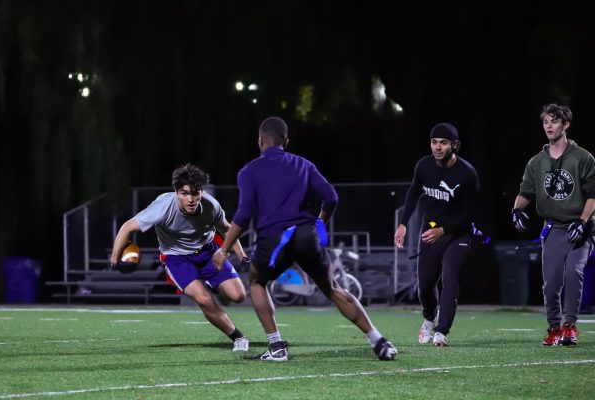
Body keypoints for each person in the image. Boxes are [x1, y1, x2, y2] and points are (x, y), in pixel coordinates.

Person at [212, 116, 397, 361]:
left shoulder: (249, 171)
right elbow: (331, 198)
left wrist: (224, 249)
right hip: (306, 234)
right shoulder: (304, 165)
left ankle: (276, 346)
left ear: (260, 141)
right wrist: (319, 222)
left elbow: (244, 214)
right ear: (286, 141)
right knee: (332, 288)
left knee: (257, 280)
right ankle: (379, 341)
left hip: (275, 239)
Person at [110, 163, 250, 352]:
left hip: (208, 251)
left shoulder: (211, 205)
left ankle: (217, 289)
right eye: (185, 193)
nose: (191, 199)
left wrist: (242, 256)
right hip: (177, 259)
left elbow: (226, 229)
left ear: (202, 191)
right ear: (176, 192)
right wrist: (114, 258)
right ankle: (238, 338)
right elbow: (127, 227)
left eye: (195, 193)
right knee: (204, 300)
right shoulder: (161, 207)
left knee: (238, 296)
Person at [512, 103, 595, 346]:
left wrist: (583, 222)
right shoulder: (536, 162)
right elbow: (525, 192)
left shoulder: (583, 158)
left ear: (566, 125)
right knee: (551, 282)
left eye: (554, 121)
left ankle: (569, 326)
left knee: (574, 272)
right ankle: (553, 327)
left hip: (579, 228)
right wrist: (516, 210)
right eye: (545, 121)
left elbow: (592, 195)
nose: (549, 125)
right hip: (553, 228)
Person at [394, 123, 479, 347]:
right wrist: (403, 224)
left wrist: (443, 230)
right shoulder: (424, 166)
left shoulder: (467, 173)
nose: (437, 147)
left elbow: (470, 213)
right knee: (424, 286)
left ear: (455, 145)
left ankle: (442, 331)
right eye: (434, 142)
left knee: (450, 278)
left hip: (457, 234)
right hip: (430, 230)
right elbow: (413, 193)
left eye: (443, 142)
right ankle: (429, 318)